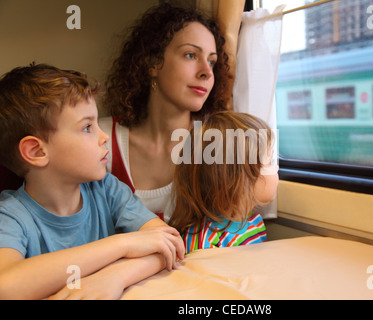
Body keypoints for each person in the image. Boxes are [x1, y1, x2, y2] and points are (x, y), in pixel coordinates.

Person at [0, 63, 185, 300]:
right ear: (37, 151)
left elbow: (168, 243)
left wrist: (115, 277)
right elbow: (6, 286)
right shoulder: (11, 216)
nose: (104, 136)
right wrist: (122, 245)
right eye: (87, 127)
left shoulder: (106, 189)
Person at [99, 3, 231, 221]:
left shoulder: (217, 142)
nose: (207, 73)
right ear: (153, 63)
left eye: (212, 61)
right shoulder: (100, 139)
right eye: (190, 55)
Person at [168, 111, 279, 254]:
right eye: (269, 161)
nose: (275, 168)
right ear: (236, 179)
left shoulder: (254, 223)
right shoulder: (206, 244)